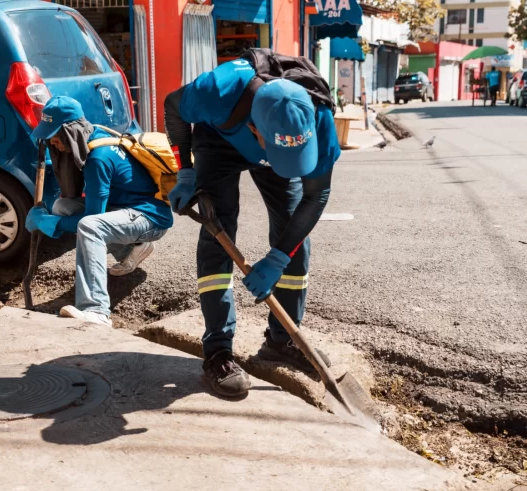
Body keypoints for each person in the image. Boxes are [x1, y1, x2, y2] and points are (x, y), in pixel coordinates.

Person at [163, 56, 341, 398]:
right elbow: (174, 107)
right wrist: (184, 171)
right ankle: (218, 351)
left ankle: (282, 340)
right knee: (219, 233)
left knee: (293, 236)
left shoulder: (317, 116)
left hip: (277, 141)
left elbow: (317, 196)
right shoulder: (217, 90)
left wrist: (276, 259)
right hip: (219, 142)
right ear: (255, 129)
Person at [25, 96, 173, 327]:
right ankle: (129, 251)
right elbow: (74, 200)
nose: (53, 143)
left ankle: (96, 310)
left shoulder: (99, 158)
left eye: (55, 137)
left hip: (150, 218)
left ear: (69, 132)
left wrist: (49, 223)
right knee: (62, 207)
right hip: (124, 211)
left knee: (90, 226)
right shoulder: (94, 137)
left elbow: (91, 219)